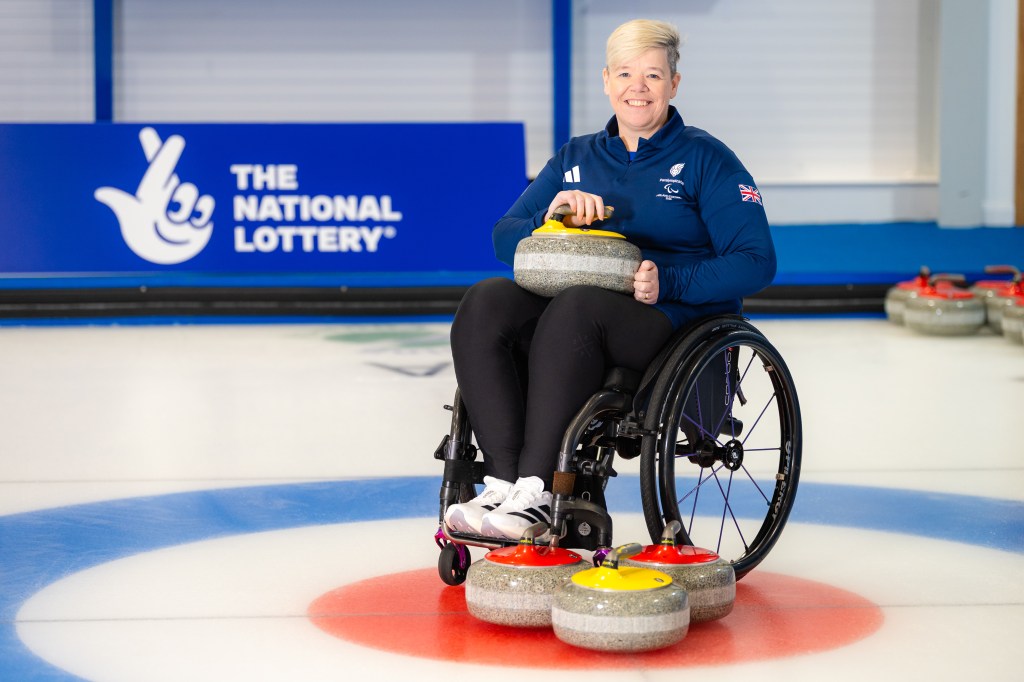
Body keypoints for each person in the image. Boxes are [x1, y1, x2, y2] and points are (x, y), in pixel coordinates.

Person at [444, 18, 776, 540]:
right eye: (625, 73)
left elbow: (757, 260)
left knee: (577, 307)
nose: (637, 88)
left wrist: (671, 281)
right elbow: (503, 238)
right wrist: (550, 217)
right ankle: (503, 482)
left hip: (666, 319)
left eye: (652, 75)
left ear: (674, 83)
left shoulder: (706, 158)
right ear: (605, 81)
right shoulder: (577, 158)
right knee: (486, 301)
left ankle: (541, 489)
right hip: (577, 312)